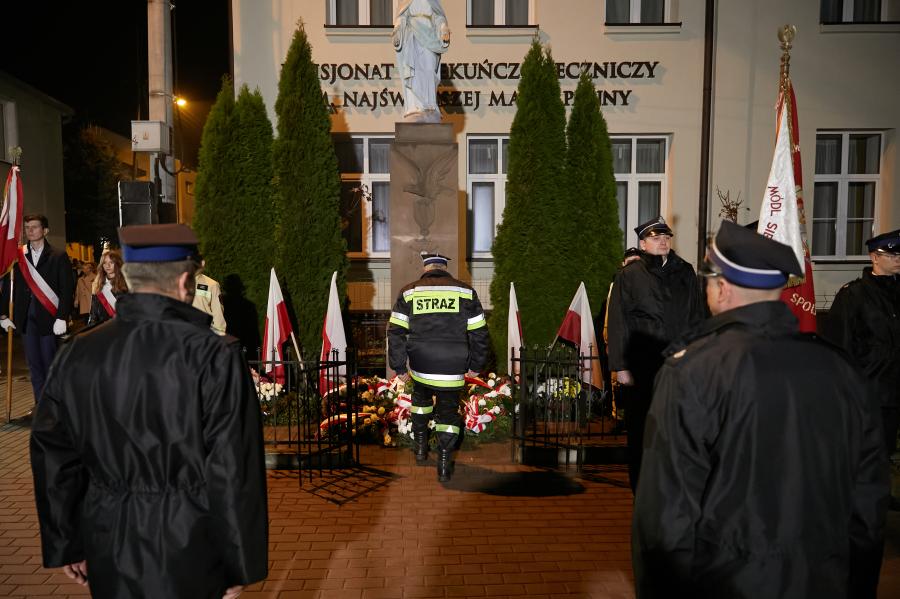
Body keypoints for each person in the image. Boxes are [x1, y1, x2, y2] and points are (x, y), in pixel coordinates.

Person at [632, 220, 888, 599]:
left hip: (727, 583)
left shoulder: (694, 370)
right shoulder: (842, 370)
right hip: (824, 579)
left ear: (722, 287)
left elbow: (667, 516)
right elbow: (867, 504)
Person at [30, 223, 268, 598]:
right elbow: (233, 466)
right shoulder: (215, 356)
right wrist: (238, 560)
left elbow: (54, 453)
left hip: (107, 536)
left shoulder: (78, 351)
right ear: (185, 281)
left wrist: (66, 541)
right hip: (192, 541)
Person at [605, 216, 704, 491]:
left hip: (678, 365)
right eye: (656, 238)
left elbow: (697, 315)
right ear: (643, 244)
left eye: (666, 237)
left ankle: (674, 486)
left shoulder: (684, 271)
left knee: (677, 428)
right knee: (641, 430)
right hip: (642, 366)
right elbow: (618, 321)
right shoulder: (630, 275)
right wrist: (621, 367)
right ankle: (642, 489)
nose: (662, 242)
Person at [387, 251, 489, 481]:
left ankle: (420, 448)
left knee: (420, 404)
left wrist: (399, 367)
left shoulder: (409, 291)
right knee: (448, 413)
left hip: (421, 363)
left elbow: (395, 332)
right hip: (453, 365)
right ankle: (444, 463)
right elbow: (479, 333)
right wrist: (476, 365)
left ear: (426, 268)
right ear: (444, 268)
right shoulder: (465, 292)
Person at [825, 229, 900, 509]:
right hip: (868, 388)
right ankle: (854, 500)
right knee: (862, 450)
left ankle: (879, 496)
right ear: (874, 258)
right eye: (891, 254)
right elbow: (840, 345)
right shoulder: (854, 295)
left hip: (894, 388)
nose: (898, 259)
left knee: (885, 448)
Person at [0, 214, 75, 403]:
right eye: (27, 227)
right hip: (26, 318)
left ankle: (53, 405)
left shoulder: (58, 255)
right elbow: (8, 287)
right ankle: (40, 406)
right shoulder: (18, 256)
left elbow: (67, 289)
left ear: (45, 230)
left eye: (34, 227)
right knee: (34, 366)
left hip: (49, 318)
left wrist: (62, 316)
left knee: (50, 364)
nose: (30, 231)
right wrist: (2, 314)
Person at [597, 247, 642, 433]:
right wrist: (609, 342)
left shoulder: (646, 283)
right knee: (618, 383)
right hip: (621, 342)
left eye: (637, 262)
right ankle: (619, 418)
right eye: (630, 262)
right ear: (623, 264)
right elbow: (611, 318)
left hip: (640, 342)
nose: (633, 266)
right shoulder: (616, 285)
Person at [393, 0, 450, 122]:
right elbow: (401, 17)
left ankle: (430, 105)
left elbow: (438, 17)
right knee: (414, 72)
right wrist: (397, 29)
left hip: (430, 37)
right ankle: (415, 107)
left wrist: (443, 28)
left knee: (429, 69)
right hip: (412, 37)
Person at [88, 249, 128, 327]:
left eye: (111, 262)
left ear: (117, 264)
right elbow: (93, 312)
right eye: (105, 263)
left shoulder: (126, 284)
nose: (107, 266)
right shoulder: (98, 285)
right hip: (104, 329)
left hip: (123, 327)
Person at [193, 263, 227, 335]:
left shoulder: (212, 285)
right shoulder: (175, 282)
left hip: (203, 334)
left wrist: (219, 335)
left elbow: (218, 314)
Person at [73, 261, 97, 327]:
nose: (83, 270)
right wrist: (76, 300)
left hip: (92, 301)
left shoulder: (95, 278)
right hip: (83, 301)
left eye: (85, 268)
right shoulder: (80, 279)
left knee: (93, 317)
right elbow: (77, 290)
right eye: (83, 268)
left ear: (90, 269)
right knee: (86, 318)